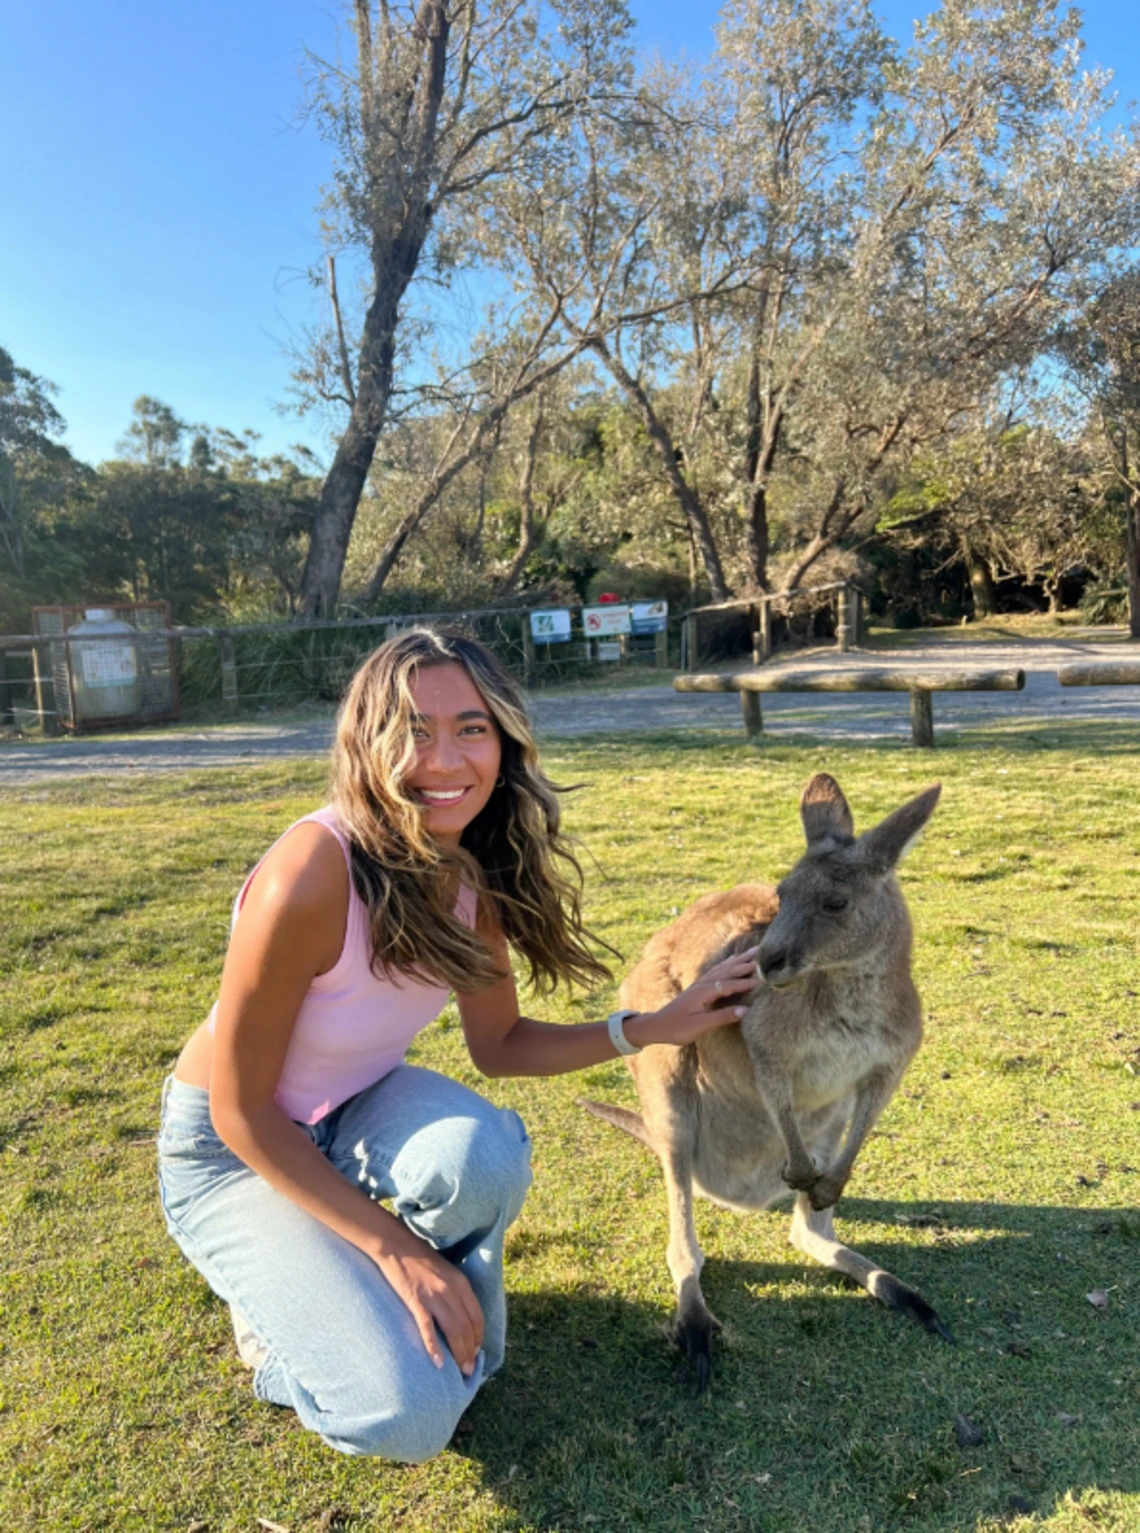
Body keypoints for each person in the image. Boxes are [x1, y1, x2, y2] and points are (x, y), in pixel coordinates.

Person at [157, 627, 757, 1462]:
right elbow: (240, 1109)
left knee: (484, 1156)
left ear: (503, 742)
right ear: (366, 741)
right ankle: (282, 1326)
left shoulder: (473, 870)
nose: (442, 760)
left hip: (355, 1105)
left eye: (470, 728)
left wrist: (649, 1027)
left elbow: (501, 1043)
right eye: (413, 729)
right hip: (229, 1148)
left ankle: (423, 1326)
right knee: (404, 1417)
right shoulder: (311, 870)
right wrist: (398, 1249)